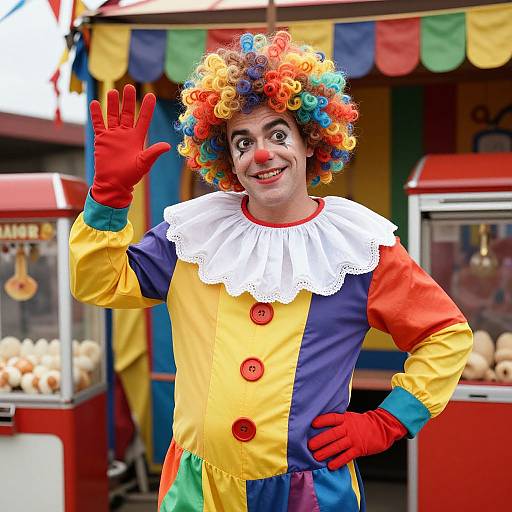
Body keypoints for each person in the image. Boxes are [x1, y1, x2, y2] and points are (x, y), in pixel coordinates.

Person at [69, 31, 473, 511]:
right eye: (243, 142)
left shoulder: (360, 246)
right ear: (229, 160)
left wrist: (384, 422)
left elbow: (446, 335)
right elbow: (99, 282)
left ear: (310, 142)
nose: (262, 154)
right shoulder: (192, 235)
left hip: (311, 493)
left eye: (278, 134)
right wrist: (109, 200)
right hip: (200, 491)